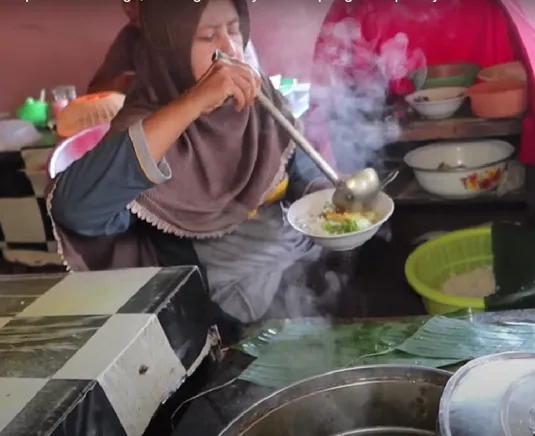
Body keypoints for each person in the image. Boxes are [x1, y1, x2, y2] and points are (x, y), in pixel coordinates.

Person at [49, 0, 330, 326]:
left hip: (294, 258)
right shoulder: (149, 131)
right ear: (170, 48)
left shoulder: (255, 94)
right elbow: (77, 211)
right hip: (225, 307)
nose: (229, 49)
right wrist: (194, 103)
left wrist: (324, 193)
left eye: (235, 30)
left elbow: (295, 166)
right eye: (208, 36)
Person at [305, 0, 535, 206]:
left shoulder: (485, 9)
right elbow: (331, 87)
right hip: (382, 131)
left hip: (484, 112)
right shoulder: (359, 10)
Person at [88, 0, 262, 94]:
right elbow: (95, 91)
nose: (128, 7)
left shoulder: (225, 34)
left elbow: (250, 84)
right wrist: (127, 83)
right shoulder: (131, 36)